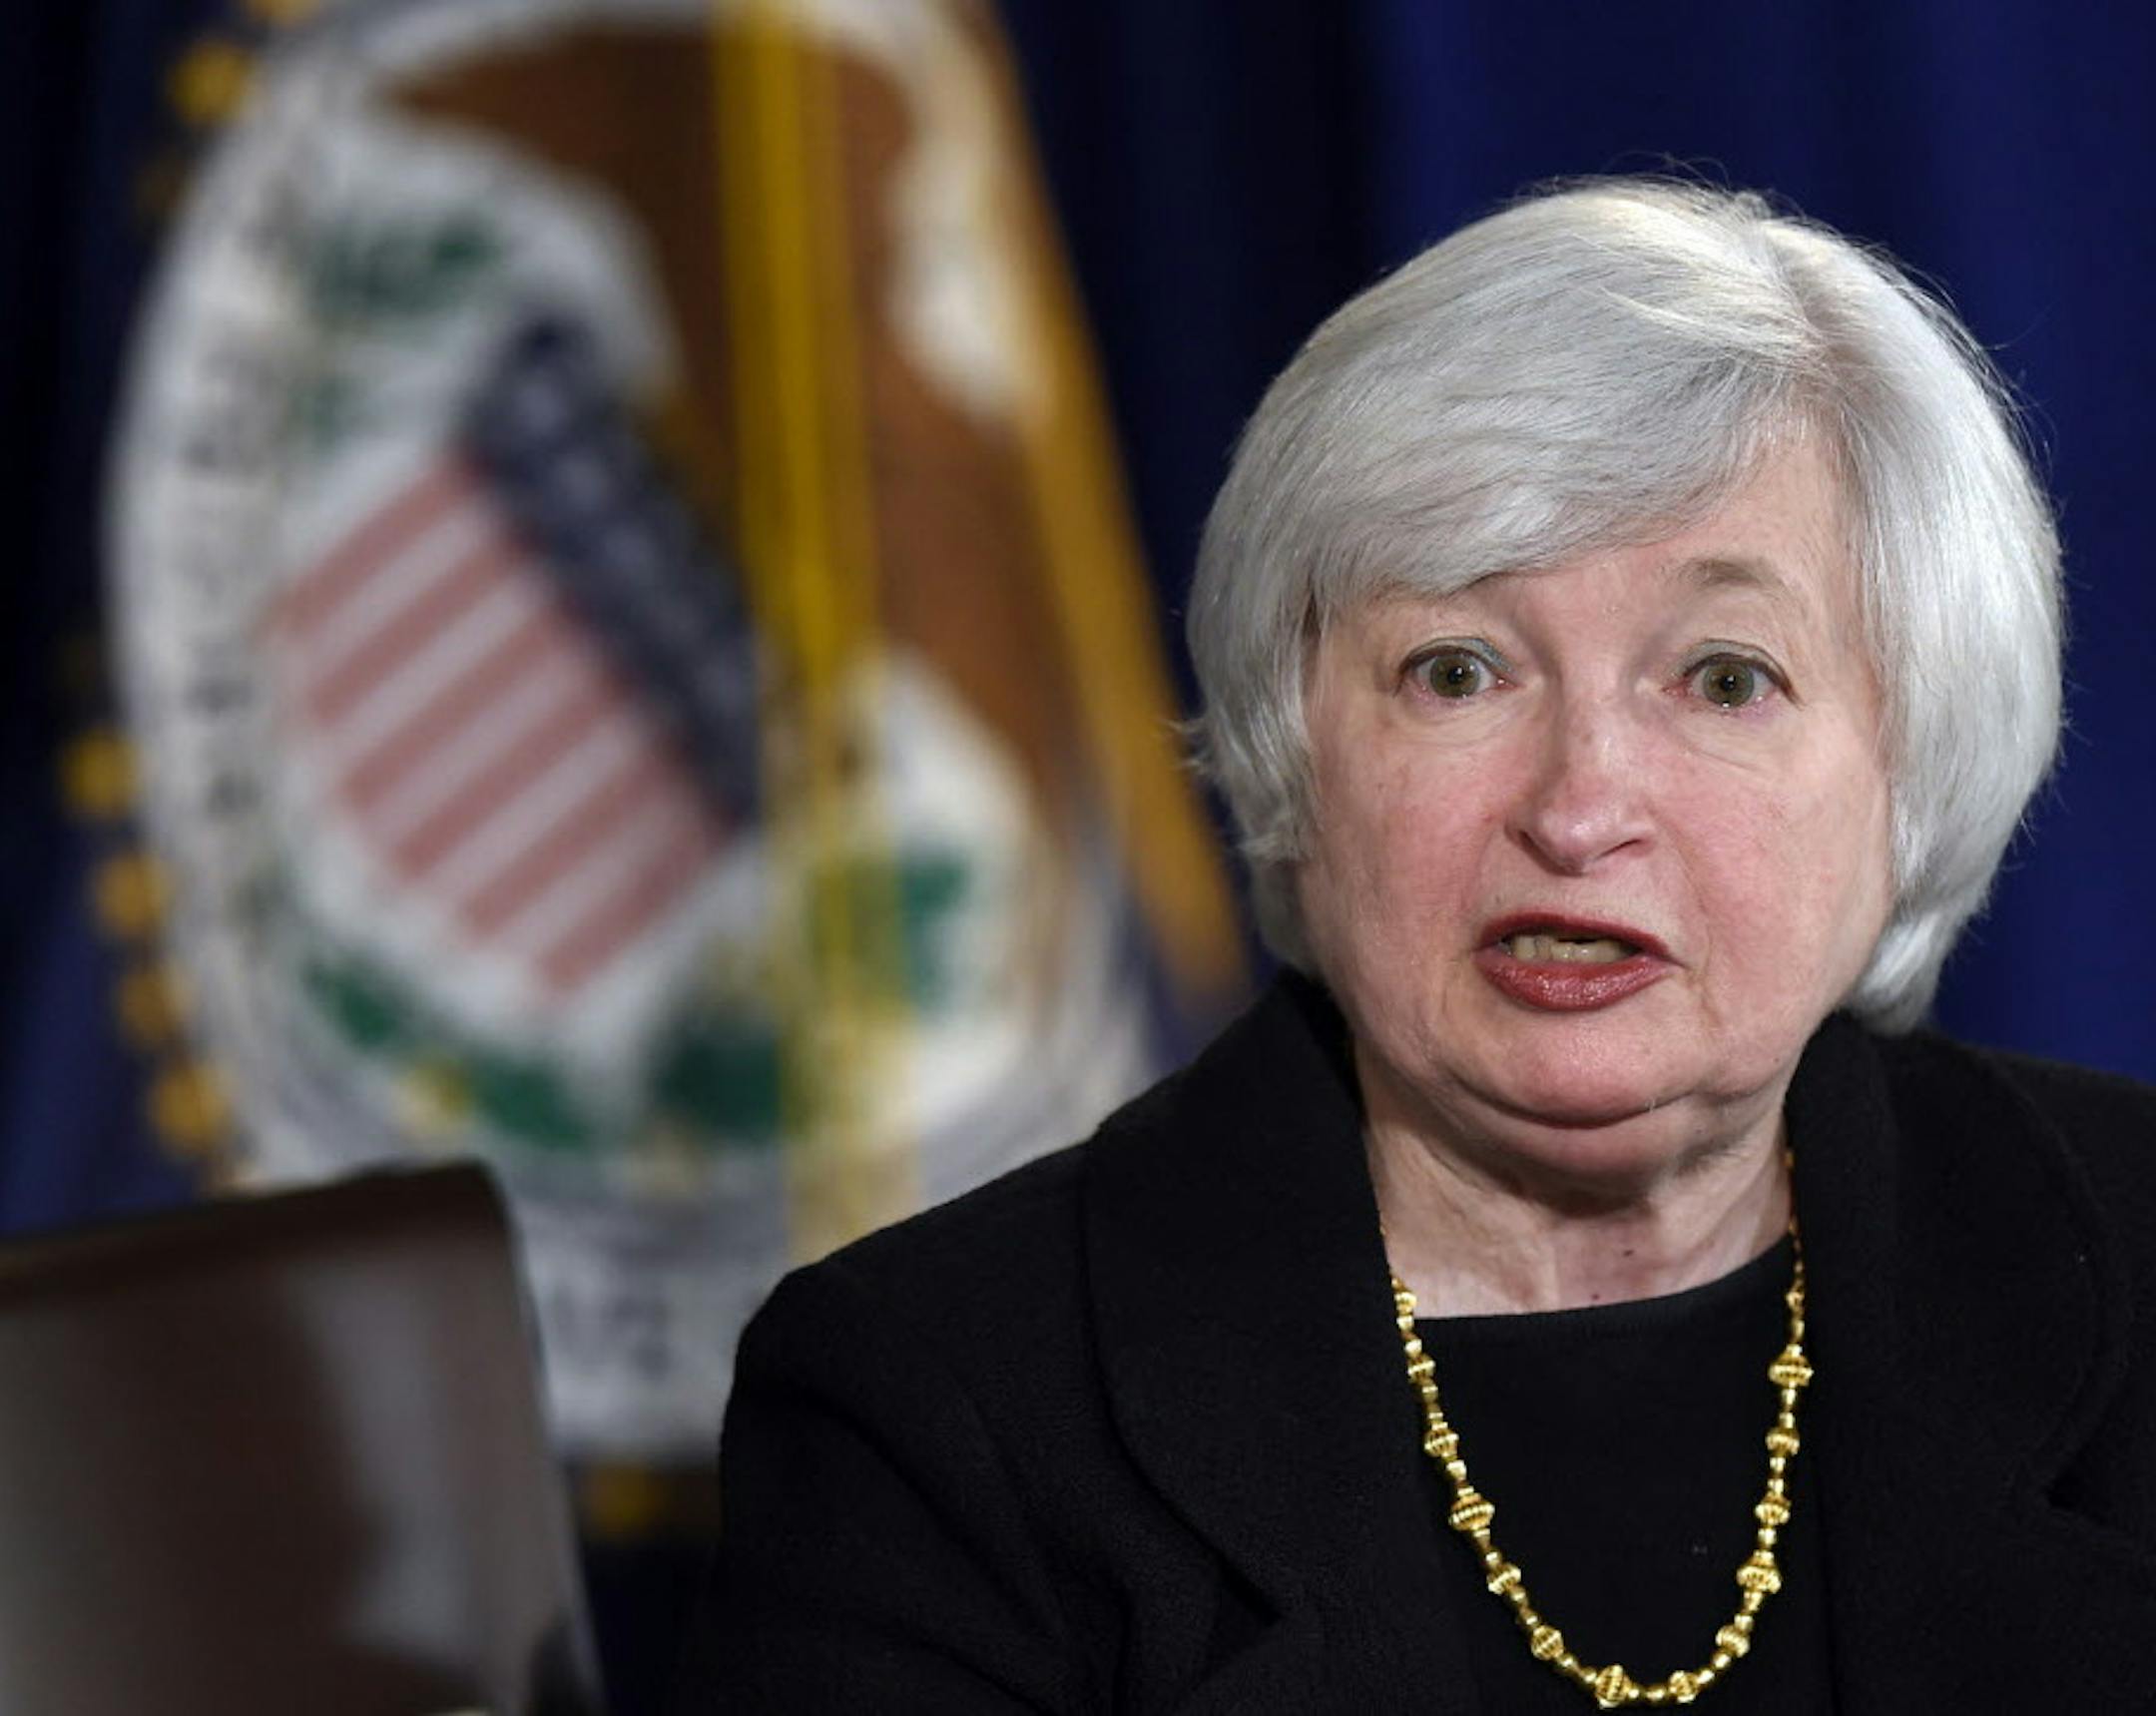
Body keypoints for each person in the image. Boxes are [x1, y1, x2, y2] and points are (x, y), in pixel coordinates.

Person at [676, 181, 2156, 1712]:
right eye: (1458, 672)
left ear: (1914, 774)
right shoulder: (938, 1408)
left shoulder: (2136, 1258)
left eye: (1725, 679)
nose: (1581, 809)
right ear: (1291, 751)